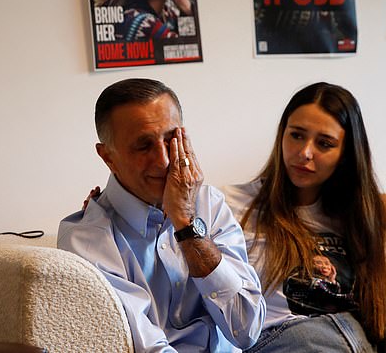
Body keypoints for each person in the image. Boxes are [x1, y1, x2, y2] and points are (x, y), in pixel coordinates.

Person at [58, 78, 265, 352]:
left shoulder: (209, 204)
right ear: (108, 156)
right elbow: (144, 348)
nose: (164, 161)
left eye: (171, 140)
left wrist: (186, 223)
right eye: (143, 146)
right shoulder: (87, 240)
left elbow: (247, 329)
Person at [222, 82, 386, 352]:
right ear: (282, 135)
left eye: (324, 143)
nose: (305, 153)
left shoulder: (358, 218)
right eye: (297, 135)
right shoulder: (231, 206)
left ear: (345, 154)